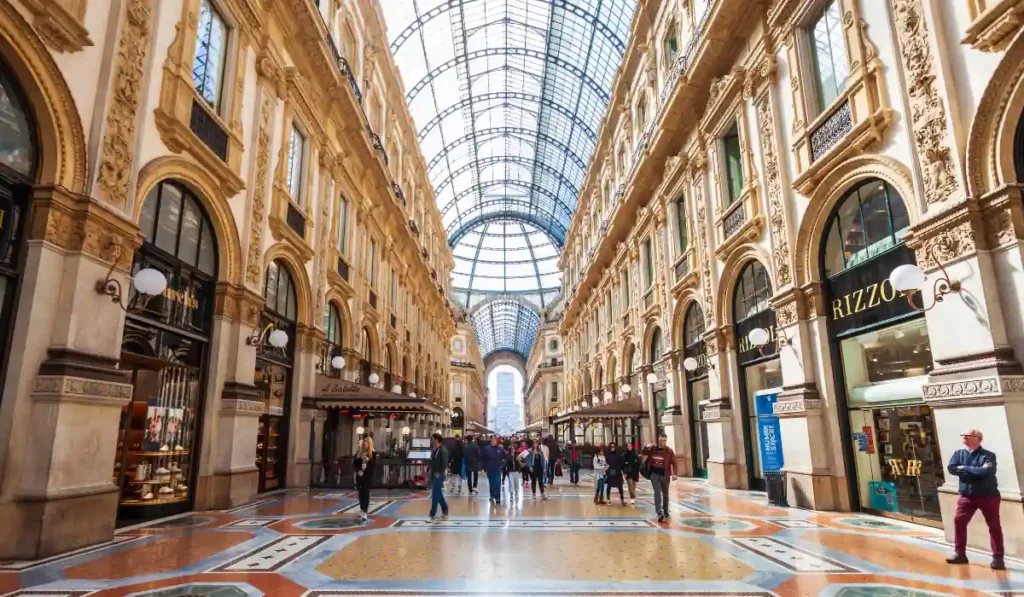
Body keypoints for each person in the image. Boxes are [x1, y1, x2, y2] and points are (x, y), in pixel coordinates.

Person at [946, 428, 1004, 569]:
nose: (964, 438)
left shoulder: (988, 455)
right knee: (959, 521)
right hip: (967, 495)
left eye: (968, 436)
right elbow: (952, 468)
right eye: (963, 435)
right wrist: (975, 470)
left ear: (978, 438)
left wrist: (965, 468)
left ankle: (998, 557)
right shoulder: (958, 453)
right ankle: (960, 554)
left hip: (988, 495)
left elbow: (987, 471)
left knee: (994, 525)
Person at [643, 433, 677, 522]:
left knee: (665, 494)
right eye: (661, 440)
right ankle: (659, 512)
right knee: (657, 492)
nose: (663, 442)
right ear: (658, 439)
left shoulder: (669, 451)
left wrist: (674, 473)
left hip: (665, 475)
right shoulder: (653, 449)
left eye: (664, 440)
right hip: (654, 474)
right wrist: (647, 446)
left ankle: (665, 510)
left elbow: (674, 462)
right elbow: (643, 453)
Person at [352, 436, 375, 520]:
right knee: (361, 494)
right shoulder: (360, 452)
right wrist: (358, 471)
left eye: (366, 441)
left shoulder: (372, 453)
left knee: (366, 494)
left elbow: (372, 466)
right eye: (364, 441)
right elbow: (355, 463)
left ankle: (365, 511)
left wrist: (367, 460)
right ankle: (362, 510)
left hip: (367, 477)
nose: (364, 443)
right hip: (360, 477)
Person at [428, 432, 449, 522]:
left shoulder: (442, 451)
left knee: (435, 495)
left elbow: (444, 464)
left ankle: (433, 513)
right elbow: (432, 461)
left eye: (432, 439)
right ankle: (445, 509)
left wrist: (439, 473)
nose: (431, 441)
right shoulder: (435, 450)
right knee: (438, 493)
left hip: (439, 475)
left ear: (436, 440)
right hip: (434, 473)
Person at [482, 436, 507, 504]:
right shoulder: (487, 449)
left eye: (494, 440)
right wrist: (484, 468)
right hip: (489, 469)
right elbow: (484, 459)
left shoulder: (501, 449)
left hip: (498, 469)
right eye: (492, 440)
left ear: (496, 441)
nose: (493, 441)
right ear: (490, 441)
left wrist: (503, 465)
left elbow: (506, 457)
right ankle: (492, 495)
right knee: (492, 483)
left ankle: (498, 498)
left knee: (497, 483)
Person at [621, 441, 640, 506]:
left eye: (630, 446)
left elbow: (638, 464)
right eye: (628, 446)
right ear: (626, 447)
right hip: (628, 473)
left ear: (632, 447)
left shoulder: (635, 454)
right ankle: (632, 496)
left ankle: (632, 499)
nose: (629, 447)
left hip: (635, 472)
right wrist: (624, 472)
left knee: (633, 487)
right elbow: (623, 465)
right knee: (630, 485)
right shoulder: (624, 455)